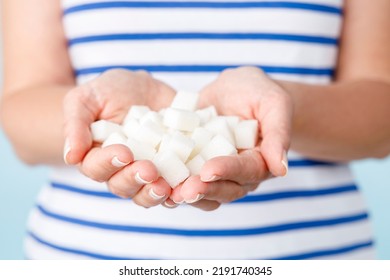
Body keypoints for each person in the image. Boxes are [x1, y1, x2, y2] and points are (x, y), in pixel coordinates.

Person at [1, 0, 389, 259]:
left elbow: (381, 119)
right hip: (83, 256)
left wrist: (281, 108)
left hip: (315, 253)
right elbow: (21, 120)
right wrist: (93, 120)